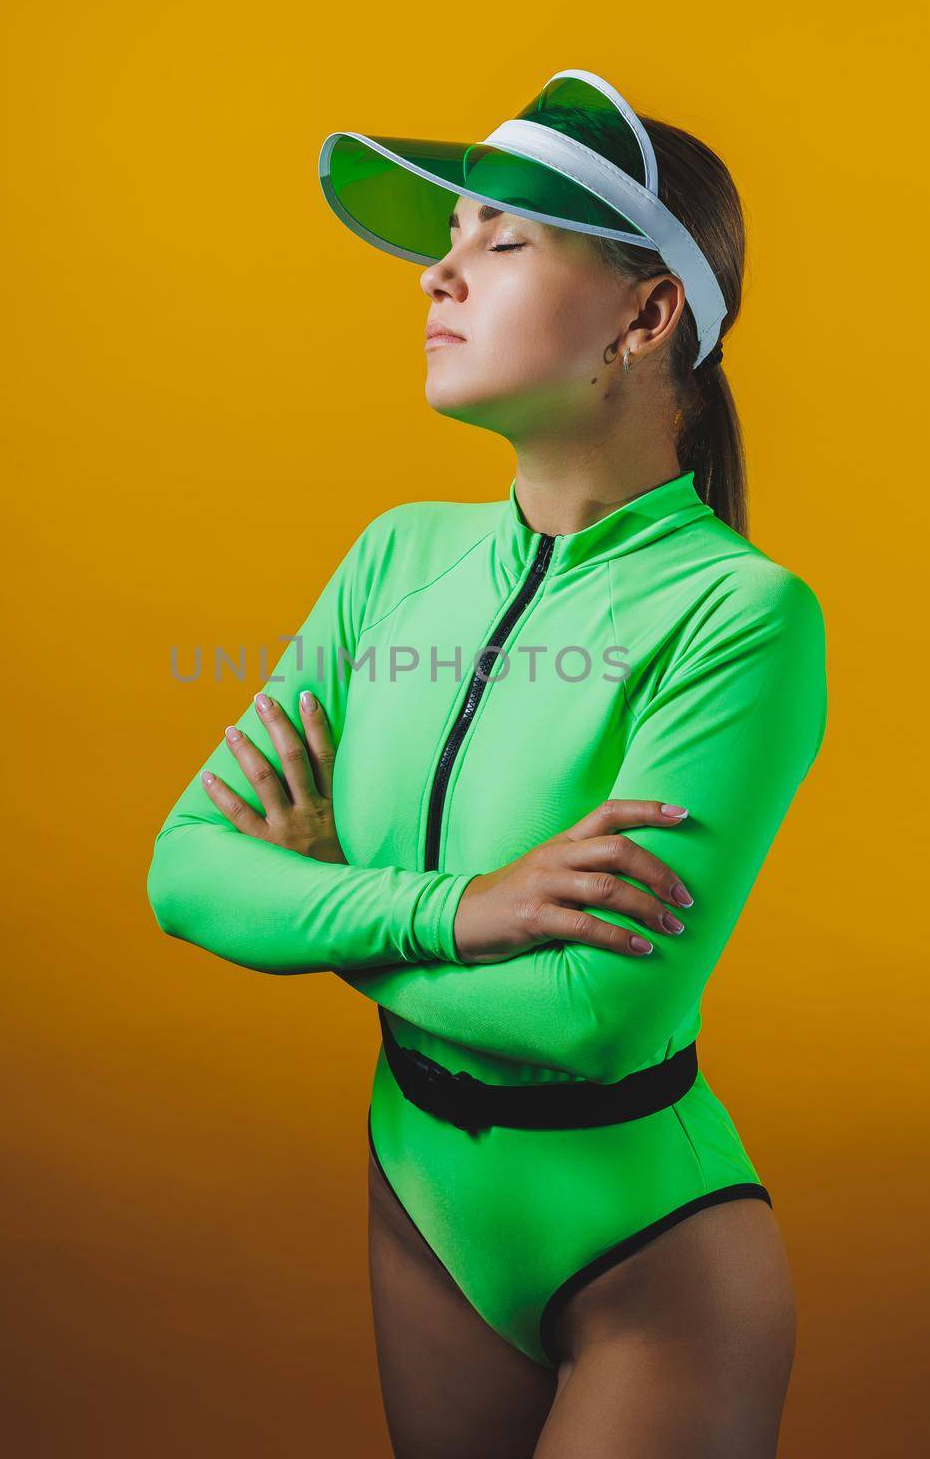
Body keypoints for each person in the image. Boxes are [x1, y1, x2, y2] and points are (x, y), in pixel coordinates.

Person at [146, 71, 828, 1458]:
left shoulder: (741, 617)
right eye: (448, 240)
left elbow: (593, 1015)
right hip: (423, 1209)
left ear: (649, 317)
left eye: (500, 243)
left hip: (648, 1252)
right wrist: (462, 911)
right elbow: (183, 875)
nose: (437, 277)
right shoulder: (396, 555)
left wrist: (321, 918)